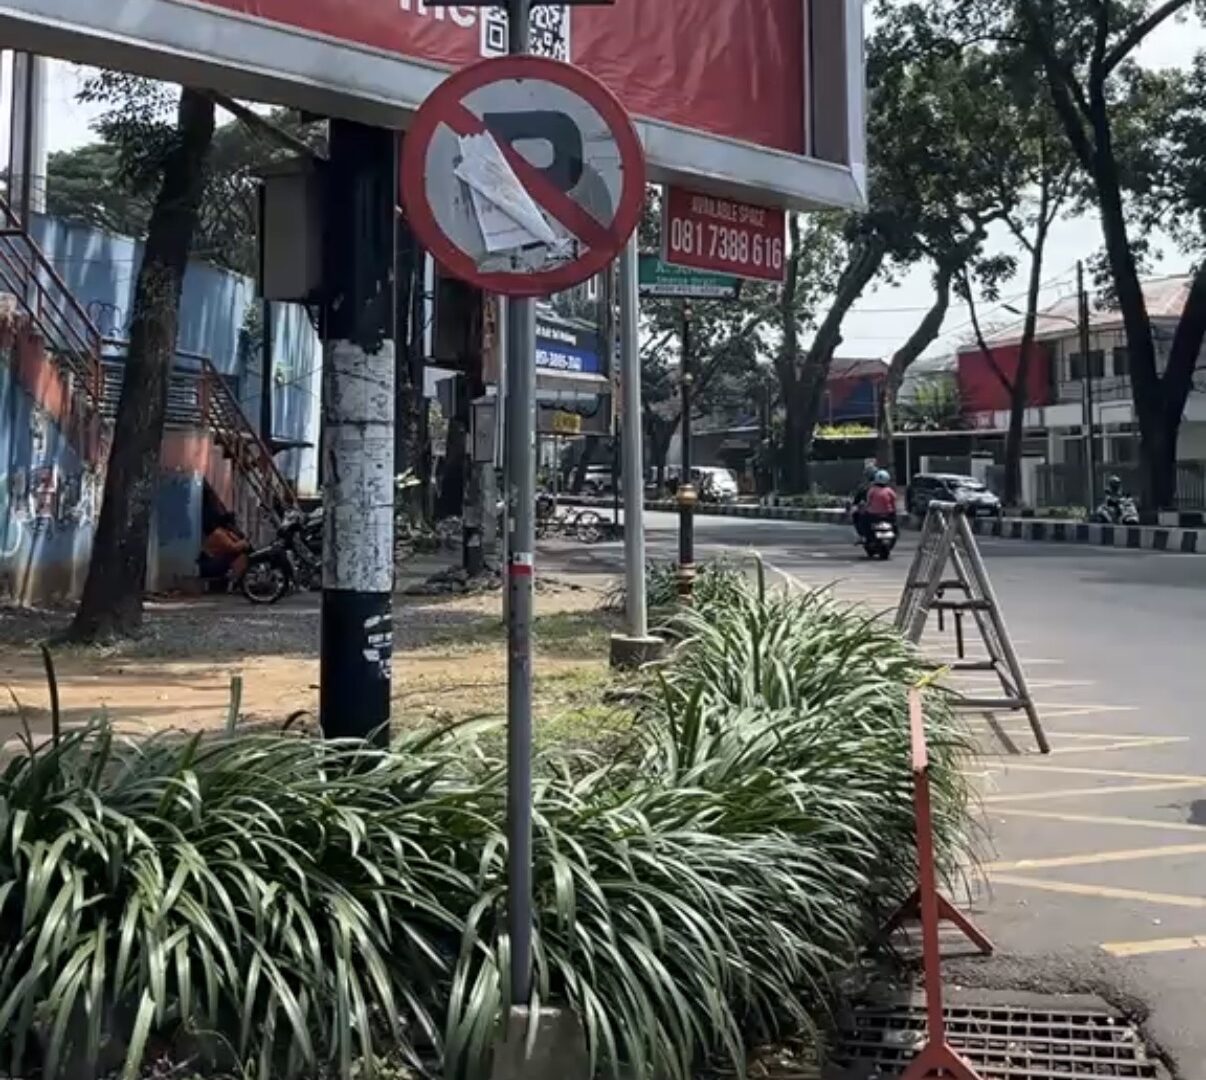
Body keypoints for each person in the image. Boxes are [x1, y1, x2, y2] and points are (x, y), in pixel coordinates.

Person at [198, 512, 250, 586]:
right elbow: (233, 547)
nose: (236, 526)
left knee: (237, 555)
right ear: (229, 524)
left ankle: (239, 578)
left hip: (214, 561)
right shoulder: (219, 534)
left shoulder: (226, 532)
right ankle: (238, 579)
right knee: (236, 555)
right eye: (234, 524)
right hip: (210, 564)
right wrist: (243, 542)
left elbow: (237, 542)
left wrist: (240, 537)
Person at [862, 469, 898, 538]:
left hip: (873, 514)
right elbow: (894, 500)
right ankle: (896, 531)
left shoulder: (872, 490)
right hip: (888, 513)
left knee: (864, 520)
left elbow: (868, 501)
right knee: (894, 522)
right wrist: (894, 510)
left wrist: (865, 508)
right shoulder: (889, 490)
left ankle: (865, 535)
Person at [850, 461, 880, 539]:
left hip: (871, 511)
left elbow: (856, 500)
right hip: (884, 511)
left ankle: (861, 534)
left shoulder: (864, 487)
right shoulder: (884, 486)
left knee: (856, 514)